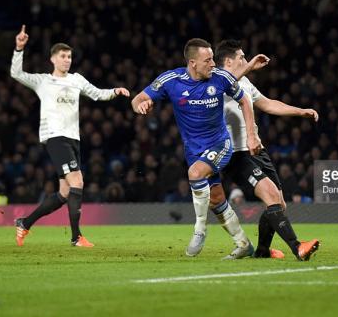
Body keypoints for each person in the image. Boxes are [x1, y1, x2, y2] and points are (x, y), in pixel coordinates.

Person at [131, 38, 269, 259]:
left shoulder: (221, 78)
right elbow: (138, 98)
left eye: (213, 58)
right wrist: (142, 105)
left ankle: (199, 230)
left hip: (220, 144)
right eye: (208, 60)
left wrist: (252, 136)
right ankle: (243, 244)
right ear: (193, 63)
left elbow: (245, 100)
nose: (213, 63)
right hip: (194, 151)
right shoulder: (172, 80)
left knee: (195, 173)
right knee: (216, 199)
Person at [11, 25, 130, 247]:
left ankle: (24, 223)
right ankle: (76, 237)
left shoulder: (76, 80)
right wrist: (19, 48)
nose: (67, 60)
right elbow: (16, 74)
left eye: (70, 56)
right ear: (53, 59)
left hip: (73, 138)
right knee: (78, 181)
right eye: (63, 56)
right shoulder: (43, 81)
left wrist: (115, 91)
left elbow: (97, 94)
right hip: (55, 137)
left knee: (65, 192)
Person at [210, 39, 320, 261]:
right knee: (270, 195)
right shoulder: (214, 83)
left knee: (279, 204)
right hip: (236, 154)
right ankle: (297, 246)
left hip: (257, 149)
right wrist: (250, 65)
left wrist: (300, 112)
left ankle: (261, 252)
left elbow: (268, 103)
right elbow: (227, 83)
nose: (245, 60)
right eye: (242, 57)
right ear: (229, 61)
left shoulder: (245, 82)